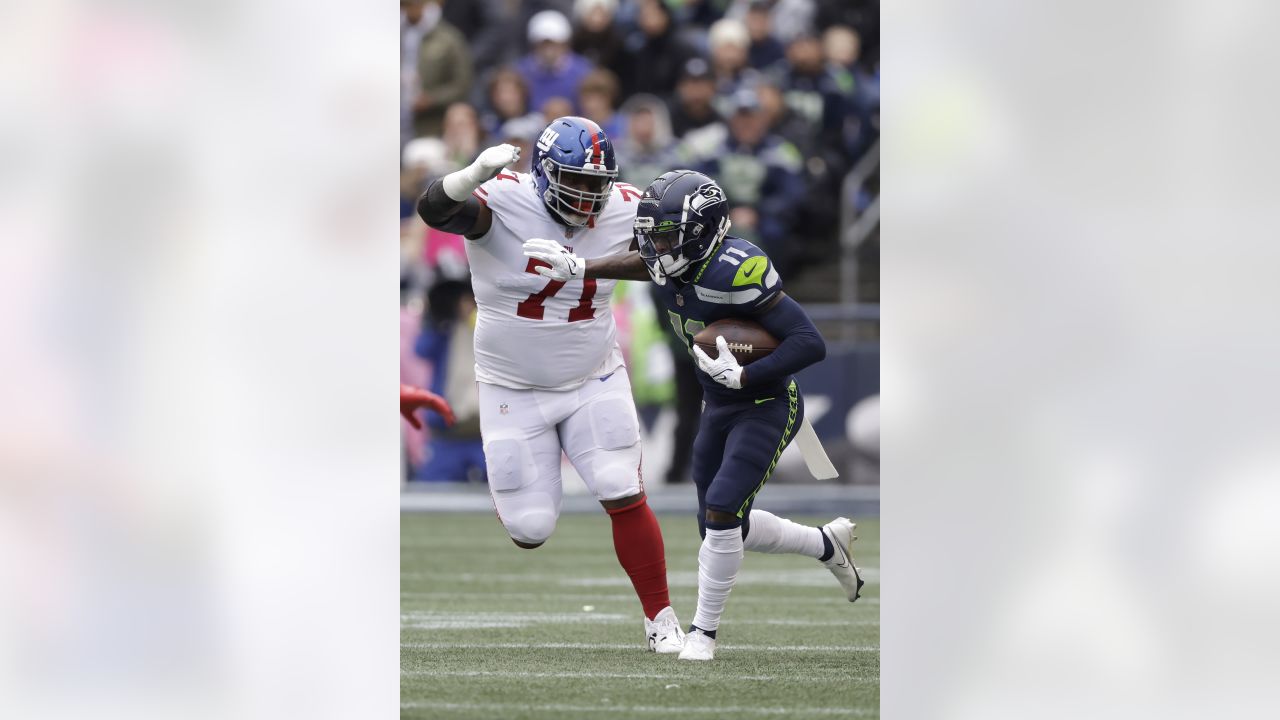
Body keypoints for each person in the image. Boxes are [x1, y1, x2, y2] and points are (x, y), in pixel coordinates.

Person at [522, 170, 864, 662]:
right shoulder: (673, 262)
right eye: (652, 238)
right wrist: (582, 267)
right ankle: (825, 544)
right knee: (720, 525)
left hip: (766, 402)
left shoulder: (736, 269)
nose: (656, 249)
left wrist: (748, 376)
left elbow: (810, 341)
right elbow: (644, 263)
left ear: (702, 231)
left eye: (665, 237)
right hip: (718, 404)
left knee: (724, 507)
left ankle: (703, 634)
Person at [415, 117, 685, 653]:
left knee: (619, 485)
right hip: (510, 386)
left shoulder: (625, 206)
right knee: (530, 528)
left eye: (596, 184)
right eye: (575, 182)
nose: (588, 197)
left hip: (593, 376)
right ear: (543, 174)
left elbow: (670, 260)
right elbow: (433, 210)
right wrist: (468, 175)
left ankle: (661, 618)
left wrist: (583, 267)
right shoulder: (506, 199)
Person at [516, 10, 595, 115]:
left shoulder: (584, 71)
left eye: (553, 44)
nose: (548, 50)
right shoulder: (521, 71)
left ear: (565, 44)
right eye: (543, 44)